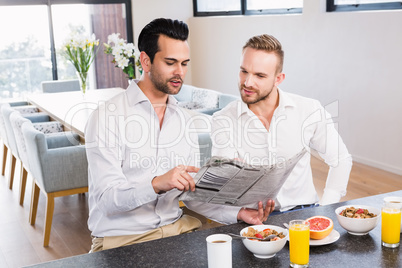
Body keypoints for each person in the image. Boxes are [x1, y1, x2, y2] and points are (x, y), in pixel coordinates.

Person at [85, 18, 274, 253]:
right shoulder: (107, 116)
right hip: (123, 241)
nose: (180, 72)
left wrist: (237, 212)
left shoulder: (184, 120)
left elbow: (190, 194)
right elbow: (106, 200)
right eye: (170, 62)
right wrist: (156, 184)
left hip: (177, 231)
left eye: (184, 63)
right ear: (145, 61)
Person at [211, 34, 353, 214]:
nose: (247, 82)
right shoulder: (223, 119)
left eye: (260, 75)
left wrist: (327, 208)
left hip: (304, 211)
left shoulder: (308, 110)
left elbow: (340, 159)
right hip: (254, 218)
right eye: (244, 71)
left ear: (278, 79)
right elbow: (223, 180)